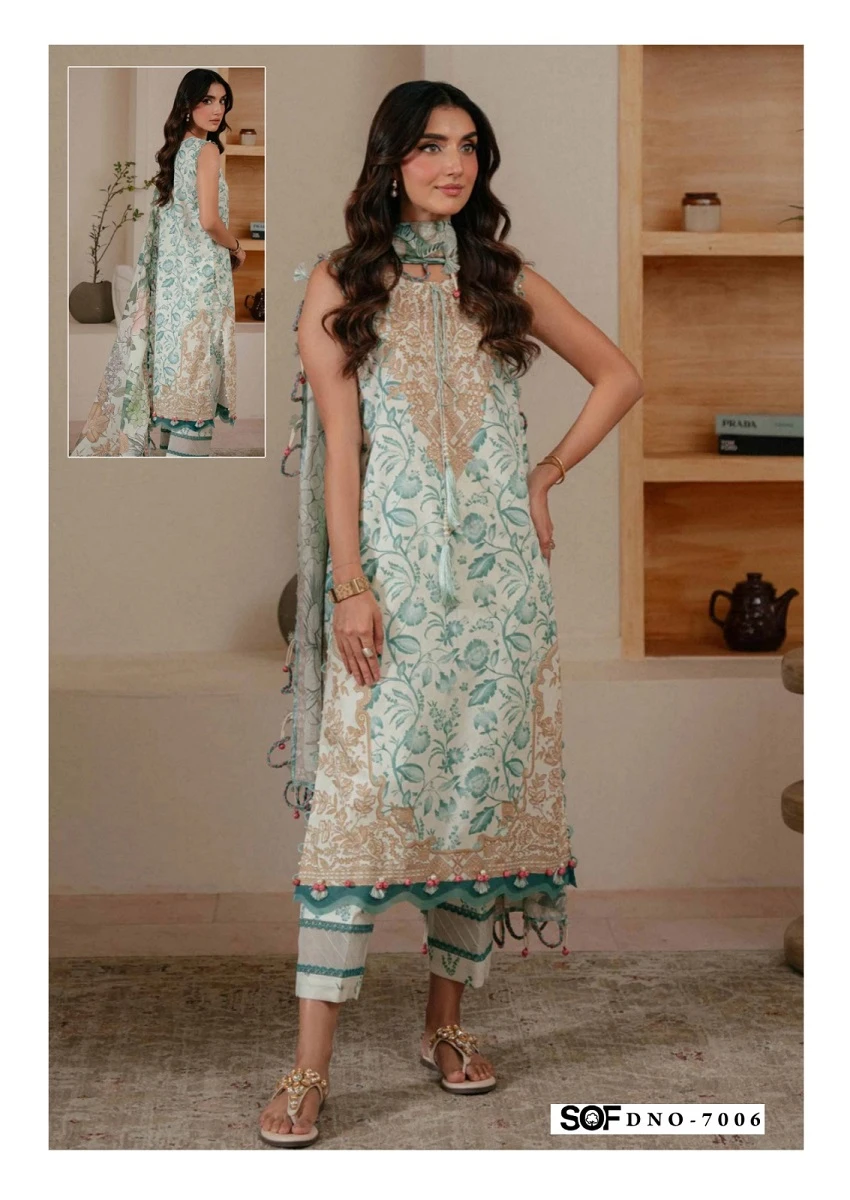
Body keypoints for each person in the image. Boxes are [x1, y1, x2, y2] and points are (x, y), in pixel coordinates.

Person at [260, 80, 644, 1148]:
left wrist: (545, 473)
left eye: (469, 147)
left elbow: (619, 375)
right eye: (431, 146)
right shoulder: (343, 281)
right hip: (393, 590)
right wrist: (350, 586)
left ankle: (446, 1027)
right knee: (358, 819)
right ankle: (307, 1070)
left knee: (473, 806)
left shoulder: (498, 278)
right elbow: (342, 449)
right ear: (391, 160)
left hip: (500, 597)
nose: (453, 165)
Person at [70, 68, 245, 459]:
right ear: (187, 105)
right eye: (207, 100)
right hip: (200, 287)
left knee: (175, 375)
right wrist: (236, 247)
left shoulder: (177, 152)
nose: (217, 109)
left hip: (171, 290)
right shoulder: (207, 152)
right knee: (197, 375)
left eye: (222, 101)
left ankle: (166, 470)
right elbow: (209, 221)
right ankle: (185, 474)